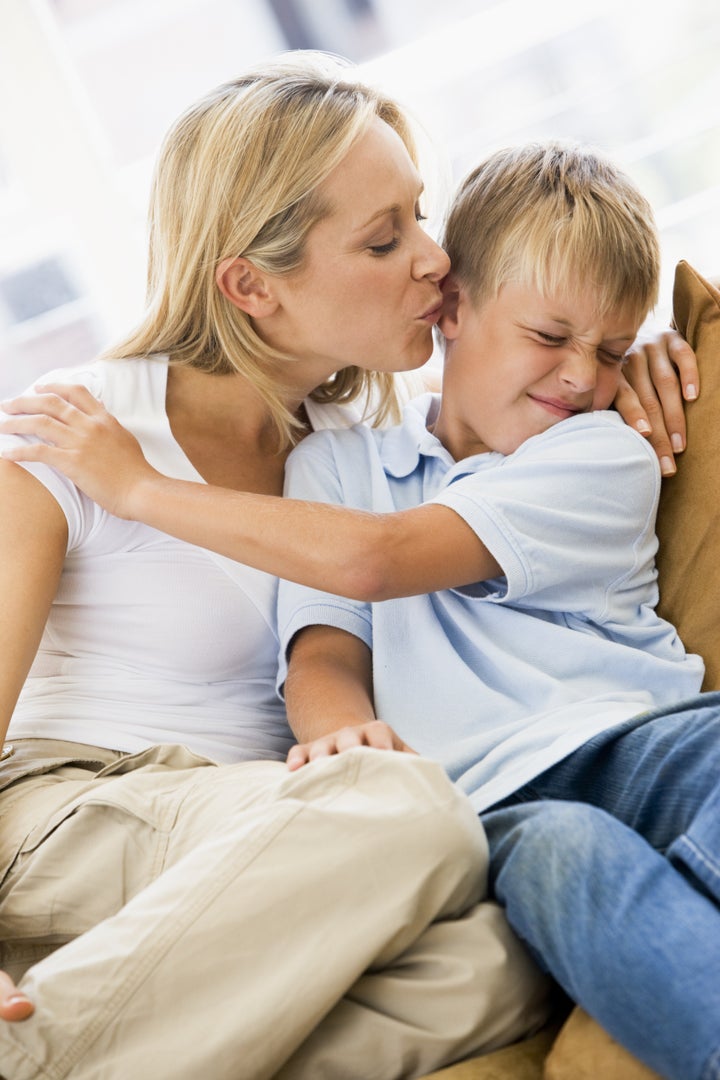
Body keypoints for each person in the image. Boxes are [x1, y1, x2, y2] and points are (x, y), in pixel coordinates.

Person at [10, 140, 718, 1080]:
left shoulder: (592, 448)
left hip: (603, 744)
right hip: (441, 802)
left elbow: (376, 558)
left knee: (506, 967)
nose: (430, 257)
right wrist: (346, 749)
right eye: (388, 238)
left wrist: (641, 353)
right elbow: (324, 649)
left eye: (422, 219)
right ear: (252, 285)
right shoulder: (128, 441)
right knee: (536, 854)